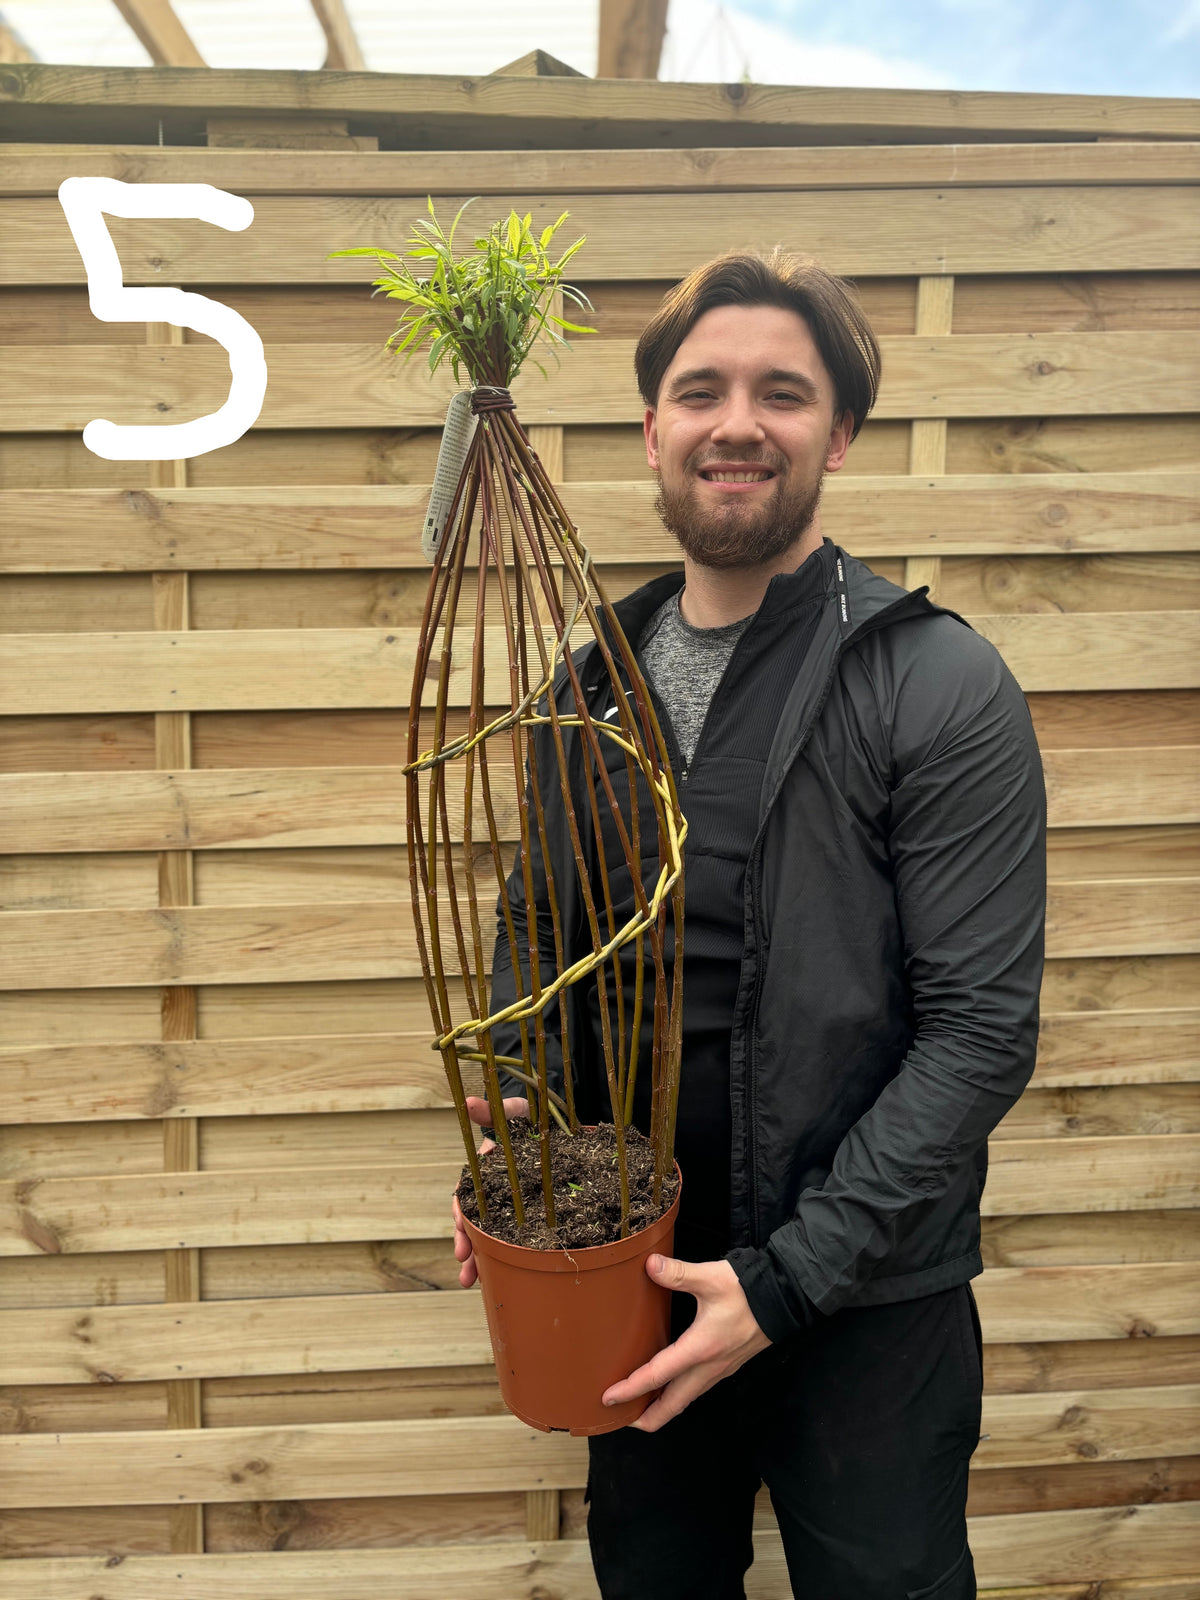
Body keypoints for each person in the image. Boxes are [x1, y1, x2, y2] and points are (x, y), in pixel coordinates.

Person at [451, 250, 1046, 1600]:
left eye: (783, 391)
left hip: (865, 1305)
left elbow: (980, 1033)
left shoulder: (934, 681)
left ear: (837, 433)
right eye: (700, 389)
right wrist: (523, 1135)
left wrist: (783, 1283)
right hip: (626, 1281)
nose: (737, 421)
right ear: (652, 427)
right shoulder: (588, 683)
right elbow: (541, 921)